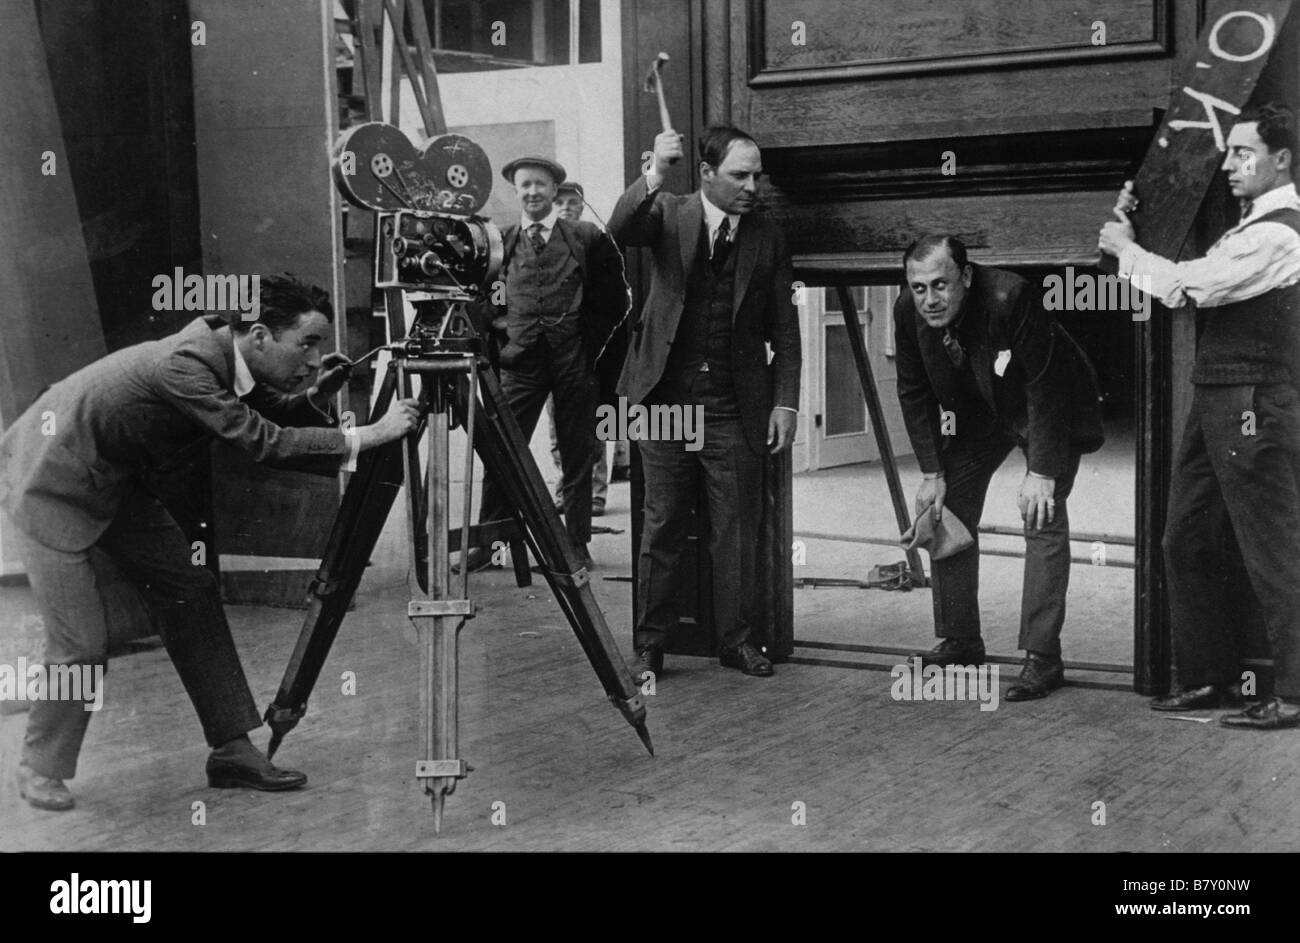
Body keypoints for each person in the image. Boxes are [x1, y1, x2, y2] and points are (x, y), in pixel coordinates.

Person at [0, 274, 420, 810]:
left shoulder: (226, 356)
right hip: (48, 483)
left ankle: (232, 750)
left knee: (191, 594)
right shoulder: (187, 364)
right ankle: (39, 766)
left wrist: (317, 394)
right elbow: (259, 440)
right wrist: (373, 433)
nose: (316, 358)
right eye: (308, 344)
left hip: (114, 478)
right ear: (262, 336)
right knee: (81, 643)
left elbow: (257, 410)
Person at [1100, 102, 1300, 729]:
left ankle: (1293, 692)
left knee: (1272, 548)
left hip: (1251, 398)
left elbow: (1194, 287)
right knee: (1183, 535)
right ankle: (1209, 676)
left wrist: (1127, 250)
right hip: (1218, 393)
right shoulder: (1253, 223)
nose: (1233, 165)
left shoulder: (1280, 231)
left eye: (1247, 154)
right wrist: (1140, 218)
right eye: (1231, 152)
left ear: (1283, 160)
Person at [610, 125, 801, 679]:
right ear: (706, 173)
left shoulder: (768, 235)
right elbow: (620, 228)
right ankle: (649, 644)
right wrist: (654, 171)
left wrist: (785, 403)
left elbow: (785, 331)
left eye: (756, 175)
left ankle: (735, 640)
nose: (751, 186)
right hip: (664, 403)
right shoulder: (668, 211)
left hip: (732, 406)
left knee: (733, 531)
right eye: (739, 175)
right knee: (662, 524)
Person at [895, 235, 1104, 700]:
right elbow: (912, 391)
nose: (930, 299)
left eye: (941, 285)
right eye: (919, 287)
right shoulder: (906, 310)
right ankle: (961, 638)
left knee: (1040, 515)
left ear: (966, 277)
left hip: (1047, 404)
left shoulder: (1012, 297)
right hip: (981, 407)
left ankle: (1042, 656)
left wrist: (1043, 472)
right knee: (947, 506)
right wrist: (933, 472)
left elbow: (1046, 384)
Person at [462, 158, 628, 572]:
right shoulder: (502, 242)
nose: (533, 192)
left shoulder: (585, 237)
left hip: (573, 362)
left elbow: (615, 300)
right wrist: (502, 329)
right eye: (525, 186)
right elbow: (486, 299)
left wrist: (587, 345)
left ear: (556, 191)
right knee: (502, 450)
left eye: (541, 185)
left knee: (578, 454)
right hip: (520, 364)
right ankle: (490, 544)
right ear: (515, 192)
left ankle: (576, 546)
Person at [543, 180, 631, 517]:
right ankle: (566, 489)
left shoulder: (595, 242)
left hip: (588, 352)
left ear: (582, 205)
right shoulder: (545, 244)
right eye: (560, 201)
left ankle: (595, 494)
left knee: (594, 426)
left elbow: (612, 299)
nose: (566, 207)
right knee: (557, 426)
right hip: (553, 351)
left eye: (572, 202)